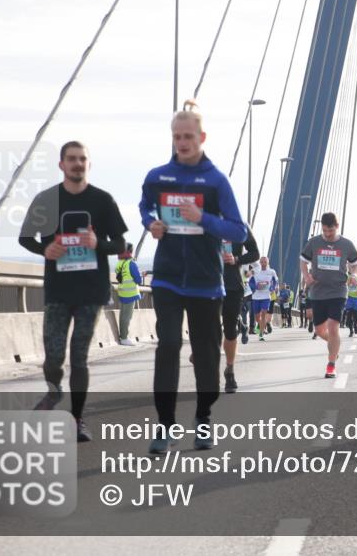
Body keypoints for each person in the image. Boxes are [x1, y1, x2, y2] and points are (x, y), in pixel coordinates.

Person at [139, 102, 248, 453]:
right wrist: (151, 224)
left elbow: (238, 230)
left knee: (205, 356)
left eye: (188, 136)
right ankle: (165, 426)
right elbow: (144, 206)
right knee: (168, 346)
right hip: (168, 278)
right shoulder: (158, 176)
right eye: (176, 137)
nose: (181, 142)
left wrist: (202, 218)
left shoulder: (216, 181)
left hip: (205, 282)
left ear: (201, 137)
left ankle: (203, 418)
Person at [19, 141, 128, 442]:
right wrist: (46, 249)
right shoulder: (47, 200)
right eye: (72, 159)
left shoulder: (103, 200)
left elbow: (120, 245)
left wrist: (99, 245)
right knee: (54, 357)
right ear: (61, 164)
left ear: (89, 164)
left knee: (79, 357)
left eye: (82, 159)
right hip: (58, 290)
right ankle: (53, 394)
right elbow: (25, 237)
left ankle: (77, 419)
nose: (77, 163)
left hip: (91, 292)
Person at [300, 212, 357, 379]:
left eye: (330, 231)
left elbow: (355, 264)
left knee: (333, 328)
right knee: (320, 331)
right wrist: (306, 276)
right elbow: (303, 260)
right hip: (317, 292)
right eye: (325, 230)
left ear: (337, 227)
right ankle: (335, 347)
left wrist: (353, 275)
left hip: (338, 291)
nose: (327, 234)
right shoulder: (314, 242)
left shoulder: (346, 244)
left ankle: (331, 364)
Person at [221, 235, 259, 393]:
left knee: (230, 330)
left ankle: (230, 370)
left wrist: (236, 259)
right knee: (208, 328)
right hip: (205, 283)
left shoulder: (238, 225)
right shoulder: (198, 221)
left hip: (231, 286)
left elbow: (254, 253)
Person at [114, 243, 143, 345]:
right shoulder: (131, 263)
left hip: (122, 292)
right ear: (130, 252)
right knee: (127, 316)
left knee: (123, 316)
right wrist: (141, 275)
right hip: (130, 293)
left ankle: (123, 336)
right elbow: (139, 280)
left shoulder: (119, 264)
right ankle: (124, 338)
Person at [250, 256, 278, 342]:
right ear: (259, 263)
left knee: (263, 314)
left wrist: (272, 288)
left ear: (268, 262)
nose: (263, 264)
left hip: (266, 297)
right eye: (262, 262)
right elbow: (250, 281)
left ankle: (261, 334)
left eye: (265, 262)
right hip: (256, 297)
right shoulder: (255, 272)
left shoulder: (271, 272)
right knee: (257, 318)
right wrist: (254, 287)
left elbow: (275, 281)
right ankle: (261, 325)